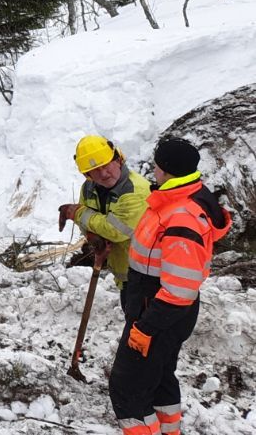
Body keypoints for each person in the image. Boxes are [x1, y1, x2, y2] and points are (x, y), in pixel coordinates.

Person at [108, 137, 230, 435]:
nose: (153, 169)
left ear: (167, 170)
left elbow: (180, 289)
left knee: (127, 388)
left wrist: (146, 327)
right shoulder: (174, 199)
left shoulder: (183, 217)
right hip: (157, 308)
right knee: (160, 377)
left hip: (159, 312)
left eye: (157, 165)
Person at [59, 135, 151, 288]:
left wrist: (76, 213)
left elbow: (116, 230)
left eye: (106, 165)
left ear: (118, 160)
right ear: (87, 175)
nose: (103, 174)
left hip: (147, 276)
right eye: (94, 170)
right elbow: (87, 223)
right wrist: (92, 236)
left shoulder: (135, 191)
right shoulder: (88, 189)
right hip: (125, 273)